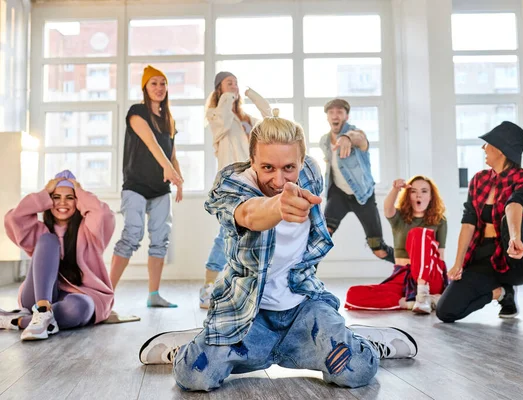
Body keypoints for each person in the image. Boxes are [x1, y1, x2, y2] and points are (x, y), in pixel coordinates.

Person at [137, 114, 418, 392]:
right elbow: (248, 213)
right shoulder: (232, 184)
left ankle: (359, 340)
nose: (278, 179)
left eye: (288, 168)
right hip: (248, 315)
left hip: (303, 310)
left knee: (358, 369)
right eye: (267, 167)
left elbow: (358, 139)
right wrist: (277, 208)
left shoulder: (310, 173)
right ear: (252, 161)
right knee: (194, 376)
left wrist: (349, 137)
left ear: (302, 162)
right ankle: (194, 344)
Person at [436, 121, 523, 330]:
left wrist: (515, 237)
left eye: (488, 143)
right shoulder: (478, 180)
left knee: (509, 222)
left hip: (514, 257)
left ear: (501, 149)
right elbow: (468, 222)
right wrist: (458, 263)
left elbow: (515, 205)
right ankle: (502, 294)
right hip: (482, 257)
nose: (484, 147)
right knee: (445, 311)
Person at [1, 170, 115, 340]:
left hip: (78, 294)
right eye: (55, 197)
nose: (63, 202)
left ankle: (18, 321)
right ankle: (42, 310)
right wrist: (44, 193)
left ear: (78, 201)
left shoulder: (90, 232)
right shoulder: (38, 230)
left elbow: (103, 214)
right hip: (36, 295)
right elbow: (13, 219)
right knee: (48, 240)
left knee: (79, 307)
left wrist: (79, 190)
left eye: (70, 197)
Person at [110, 65, 184, 308]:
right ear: (145, 87)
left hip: (161, 189)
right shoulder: (137, 112)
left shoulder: (169, 120)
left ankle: (153, 295)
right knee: (131, 235)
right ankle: (106, 295)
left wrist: (179, 181)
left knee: (161, 239)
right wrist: (168, 168)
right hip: (136, 185)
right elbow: (152, 144)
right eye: (154, 83)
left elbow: (172, 155)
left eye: (163, 83)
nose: (159, 88)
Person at [199, 71, 272, 309]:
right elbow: (222, 123)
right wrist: (228, 98)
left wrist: (251, 94)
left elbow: (268, 122)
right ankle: (208, 287)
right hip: (231, 182)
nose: (234, 86)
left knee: (254, 235)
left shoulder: (247, 119)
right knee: (226, 234)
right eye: (229, 83)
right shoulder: (215, 115)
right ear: (219, 89)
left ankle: (247, 290)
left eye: (236, 83)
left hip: (252, 181)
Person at [345, 176, 448, 314]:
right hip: (403, 274)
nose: (419, 195)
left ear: (431, 197)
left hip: (430, 276)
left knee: (419, 233)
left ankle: (423, 295)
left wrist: (446, 285)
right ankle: (408, 303)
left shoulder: (440, 221)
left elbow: (440, 256)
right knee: (353, 294)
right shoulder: (399, 218)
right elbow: (387, 208)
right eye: (414, 191)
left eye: (424, 191)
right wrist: (395, 189)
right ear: (408, 196)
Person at [319, 98, 394, 264]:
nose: (335, 115)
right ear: (327, 117)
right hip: (338, 195)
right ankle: (305, 284)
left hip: (363, 196)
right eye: (331, 112)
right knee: (320, 240)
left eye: (339, 112)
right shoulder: (324, 140)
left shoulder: (356, 133)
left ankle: (415, 269)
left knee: (379, 249)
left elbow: (358, 138)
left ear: (346, 116)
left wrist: (347, 137)